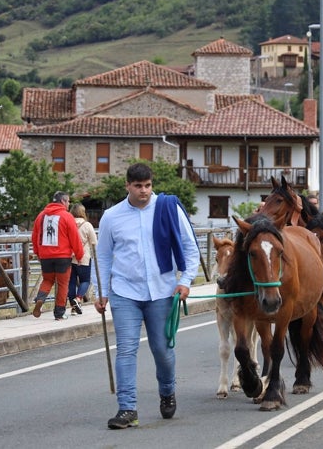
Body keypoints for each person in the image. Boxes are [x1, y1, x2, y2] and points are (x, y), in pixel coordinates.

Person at [93, 163, 200, 430]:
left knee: (162, 351)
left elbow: (190, 247)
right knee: (126, 350)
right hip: (124, 292)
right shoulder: (111, 216)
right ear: (127, 186)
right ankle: (127, 408)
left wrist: (185, 281)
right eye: (138, 186)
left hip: (162, 291)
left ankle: (167, 391)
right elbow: (103, 256)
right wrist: (101, 291)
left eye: (148, 185)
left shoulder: (168, 208)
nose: (144, 191)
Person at [31, 191, 85, 321]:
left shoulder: (41, 216)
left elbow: (35, 236)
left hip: (45, 256)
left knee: (47, 280)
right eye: (68, 201)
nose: (68, 204)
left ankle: (40, 299)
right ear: (63, 201)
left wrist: (38, 252)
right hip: (63, 256)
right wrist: (79, 254)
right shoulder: (66, 216)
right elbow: (74, 238)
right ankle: (59, 313)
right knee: (62, 284)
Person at [68, 203, 98, 315]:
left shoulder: (68, 223)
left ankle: (73, 307)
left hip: (69, 258)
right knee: (85, 280)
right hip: (84, 258)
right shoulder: (87, 225)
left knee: (70, 282)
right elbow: (94, 242)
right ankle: (79, 298)